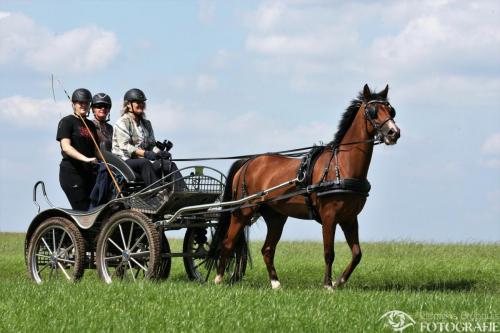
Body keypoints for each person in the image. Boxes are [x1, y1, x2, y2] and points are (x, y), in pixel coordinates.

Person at [112, 88, 180, 189]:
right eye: (137, 102)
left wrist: (159, 154)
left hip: (142, 161)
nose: (141, 104)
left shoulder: (147, 124)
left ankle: (182, 192)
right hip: (124, 161)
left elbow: (151, 145)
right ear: (128, 105)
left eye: (142, 102)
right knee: (144, 162)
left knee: (168, 164)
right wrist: (146, 154)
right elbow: (125, 146)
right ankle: (157, 193)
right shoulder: (122, 122)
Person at [56, 88, 99, 211]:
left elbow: (96, 151)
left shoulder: (90, 125)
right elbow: (66, 147)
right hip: (72, 173)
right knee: (83, 210)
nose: (84, 105)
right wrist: (85, 159)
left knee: (95, 209)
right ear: (73, 104)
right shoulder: (67, 121)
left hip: (89, 174)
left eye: (87, 103)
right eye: (81, 103)